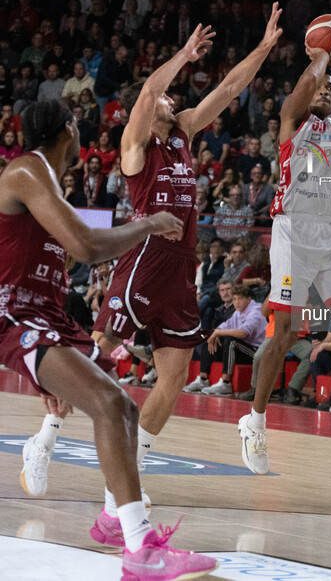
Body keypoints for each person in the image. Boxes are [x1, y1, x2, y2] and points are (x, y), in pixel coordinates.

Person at [24, 7, 283, 502]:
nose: (171, 98)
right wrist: (184, 54)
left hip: (181, 269)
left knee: (174, 378)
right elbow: (145, 93)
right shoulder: (134, 143)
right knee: (97, 354)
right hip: (144, 259)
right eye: (166, 95)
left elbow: (227, 91)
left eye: (169, 95)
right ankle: (44, 440)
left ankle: (129, 474)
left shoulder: (183, 132)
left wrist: (264, 49)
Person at [1, 100, 217, 577]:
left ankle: (126, 532)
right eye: (79, 126)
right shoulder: (26, 172)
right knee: (112, 403)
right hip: (14, 315)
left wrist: (53, 370)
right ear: (68, 131)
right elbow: (89, 246)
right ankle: (139, 547)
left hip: (42, 316)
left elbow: (47, 268)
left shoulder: (50, 184)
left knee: (120, 405)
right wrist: (150, 223)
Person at [238, 19, 331, 479]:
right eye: (320, 87)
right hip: (292, 235)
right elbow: (302, 88)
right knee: (284, 335)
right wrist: (323, 50)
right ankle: (255, 422)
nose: (324, 90)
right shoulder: (292, 123)